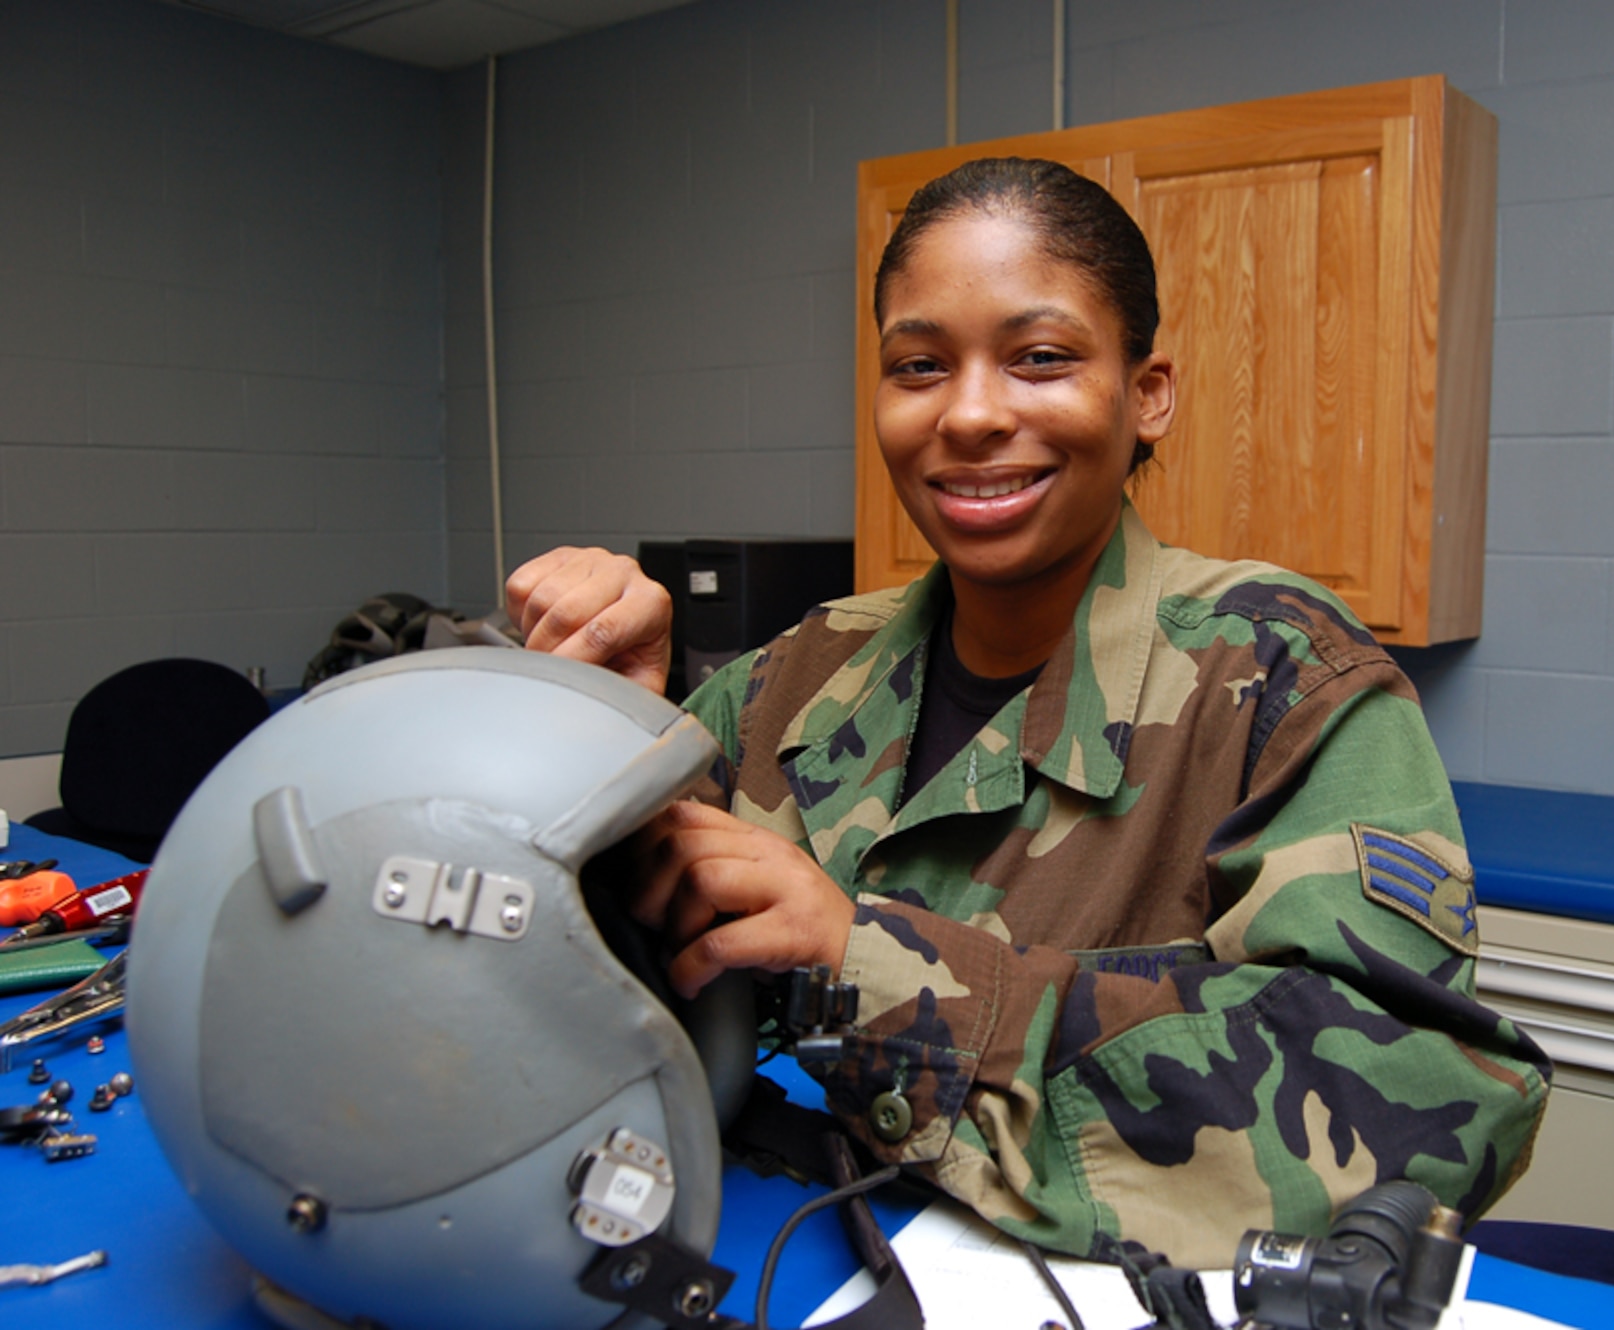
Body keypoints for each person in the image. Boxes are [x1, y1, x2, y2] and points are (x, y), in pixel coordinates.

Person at [507, 157, 1547, 1269]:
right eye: (918, 365)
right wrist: (606, 743)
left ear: (1147, 392)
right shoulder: (795, 674)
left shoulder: (1278, 673)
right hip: (791, 1260)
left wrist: (867, 963)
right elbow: (579, 991)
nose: (967, 413)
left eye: (1039, 358)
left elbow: (1424, 1097)